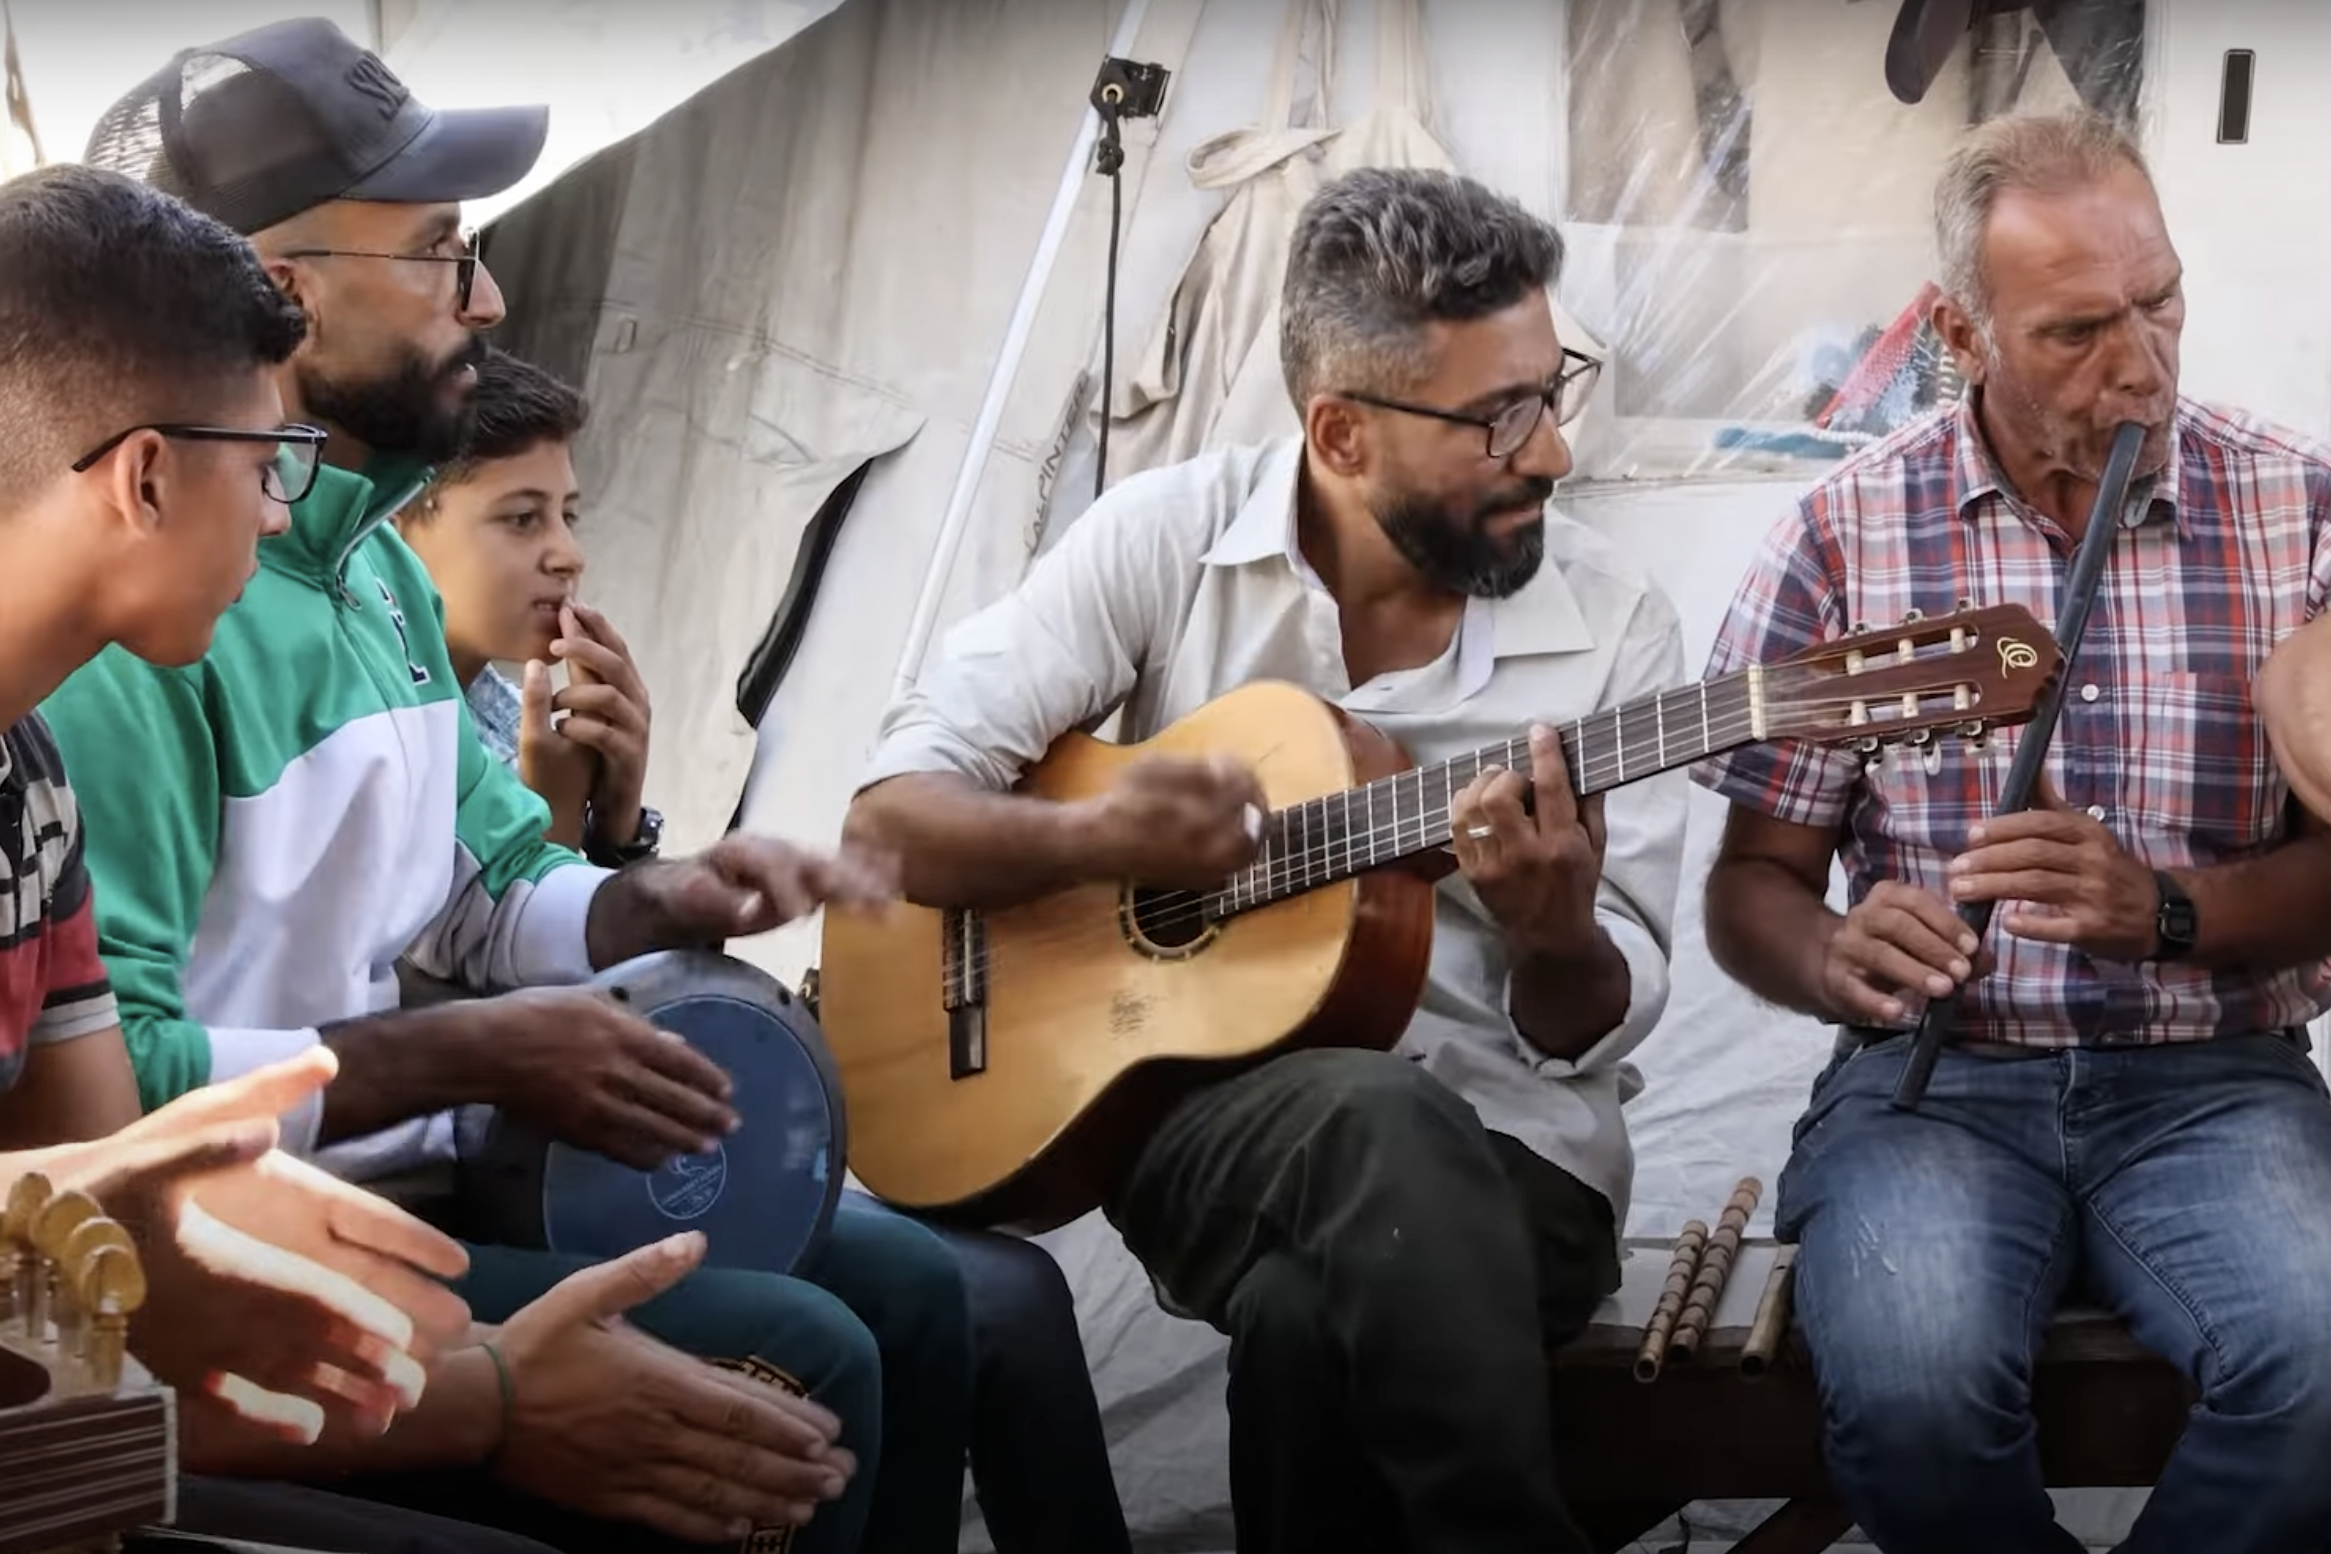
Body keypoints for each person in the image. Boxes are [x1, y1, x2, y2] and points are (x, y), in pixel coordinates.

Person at [55, 18, 970, 1553]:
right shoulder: (146, 624)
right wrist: (470, 1050)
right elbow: (111, 1101)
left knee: (919, 1288)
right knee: (805, 1354)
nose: (485, 294)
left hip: (416, 1182)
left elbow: (487, 886)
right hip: (240, 1227)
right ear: (280, 296)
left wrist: (652, 893)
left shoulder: (376, 574)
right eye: (436, 251)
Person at [844, 164, 1688, 1554]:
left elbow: (1587, 1021)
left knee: (1305, 1316)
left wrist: (1556, 939)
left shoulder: (1612, 622)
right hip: (1195, 1121)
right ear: (1340, 434)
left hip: (1518, 1166)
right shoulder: (1166, 540)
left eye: (1556, 387)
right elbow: (889, 821)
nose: (1550, 451)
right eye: (1498, 416)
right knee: (1373, 1116)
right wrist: (1102, 834)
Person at [1694, 108, 2331, 1554]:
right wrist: (1830, 953)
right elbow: (1754, 886)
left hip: (2214, 1078)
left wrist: (2163, 910)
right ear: (1957, 332)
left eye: (2159, 300)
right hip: (1934, 1087)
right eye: (2074, 330)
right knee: (1912, 1393)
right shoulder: (1843, 531)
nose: (2142, 363)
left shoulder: (2296, 505)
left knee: (2319, 1364)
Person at [399, 346, 1132, 1554]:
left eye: (569, 515)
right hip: (493, 1173)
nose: (568, 552)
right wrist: (560, 818)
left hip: (594, 1149)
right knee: (930, 1306)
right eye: (520, 518)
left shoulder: (504, 699)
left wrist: (622, 822)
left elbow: (599, 966)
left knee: (1001, 1287)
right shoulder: (389, 698)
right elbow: (450, 981)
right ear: (399, 534)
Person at [0, 158, 475, 1452]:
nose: (274, 518)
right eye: (266, 464)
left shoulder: (29, 777)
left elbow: (98, 1217)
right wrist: (486, 1409)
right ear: (145, 478)